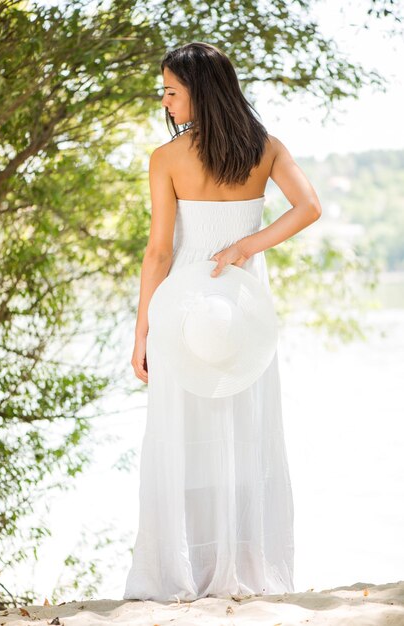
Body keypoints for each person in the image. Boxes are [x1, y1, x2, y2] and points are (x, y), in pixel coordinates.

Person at [123, 41, 322, 602]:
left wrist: (141, 333)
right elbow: (309, 206)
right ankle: (243, 567)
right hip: (244, 310)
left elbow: (158, 253)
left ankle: (186, 572)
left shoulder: (168, 159)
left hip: (183, 308)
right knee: (246, 435)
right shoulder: (266, 147)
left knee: (181, 438)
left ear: (199, 94)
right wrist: (246, 247)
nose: (164, 102)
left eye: (170, 91)